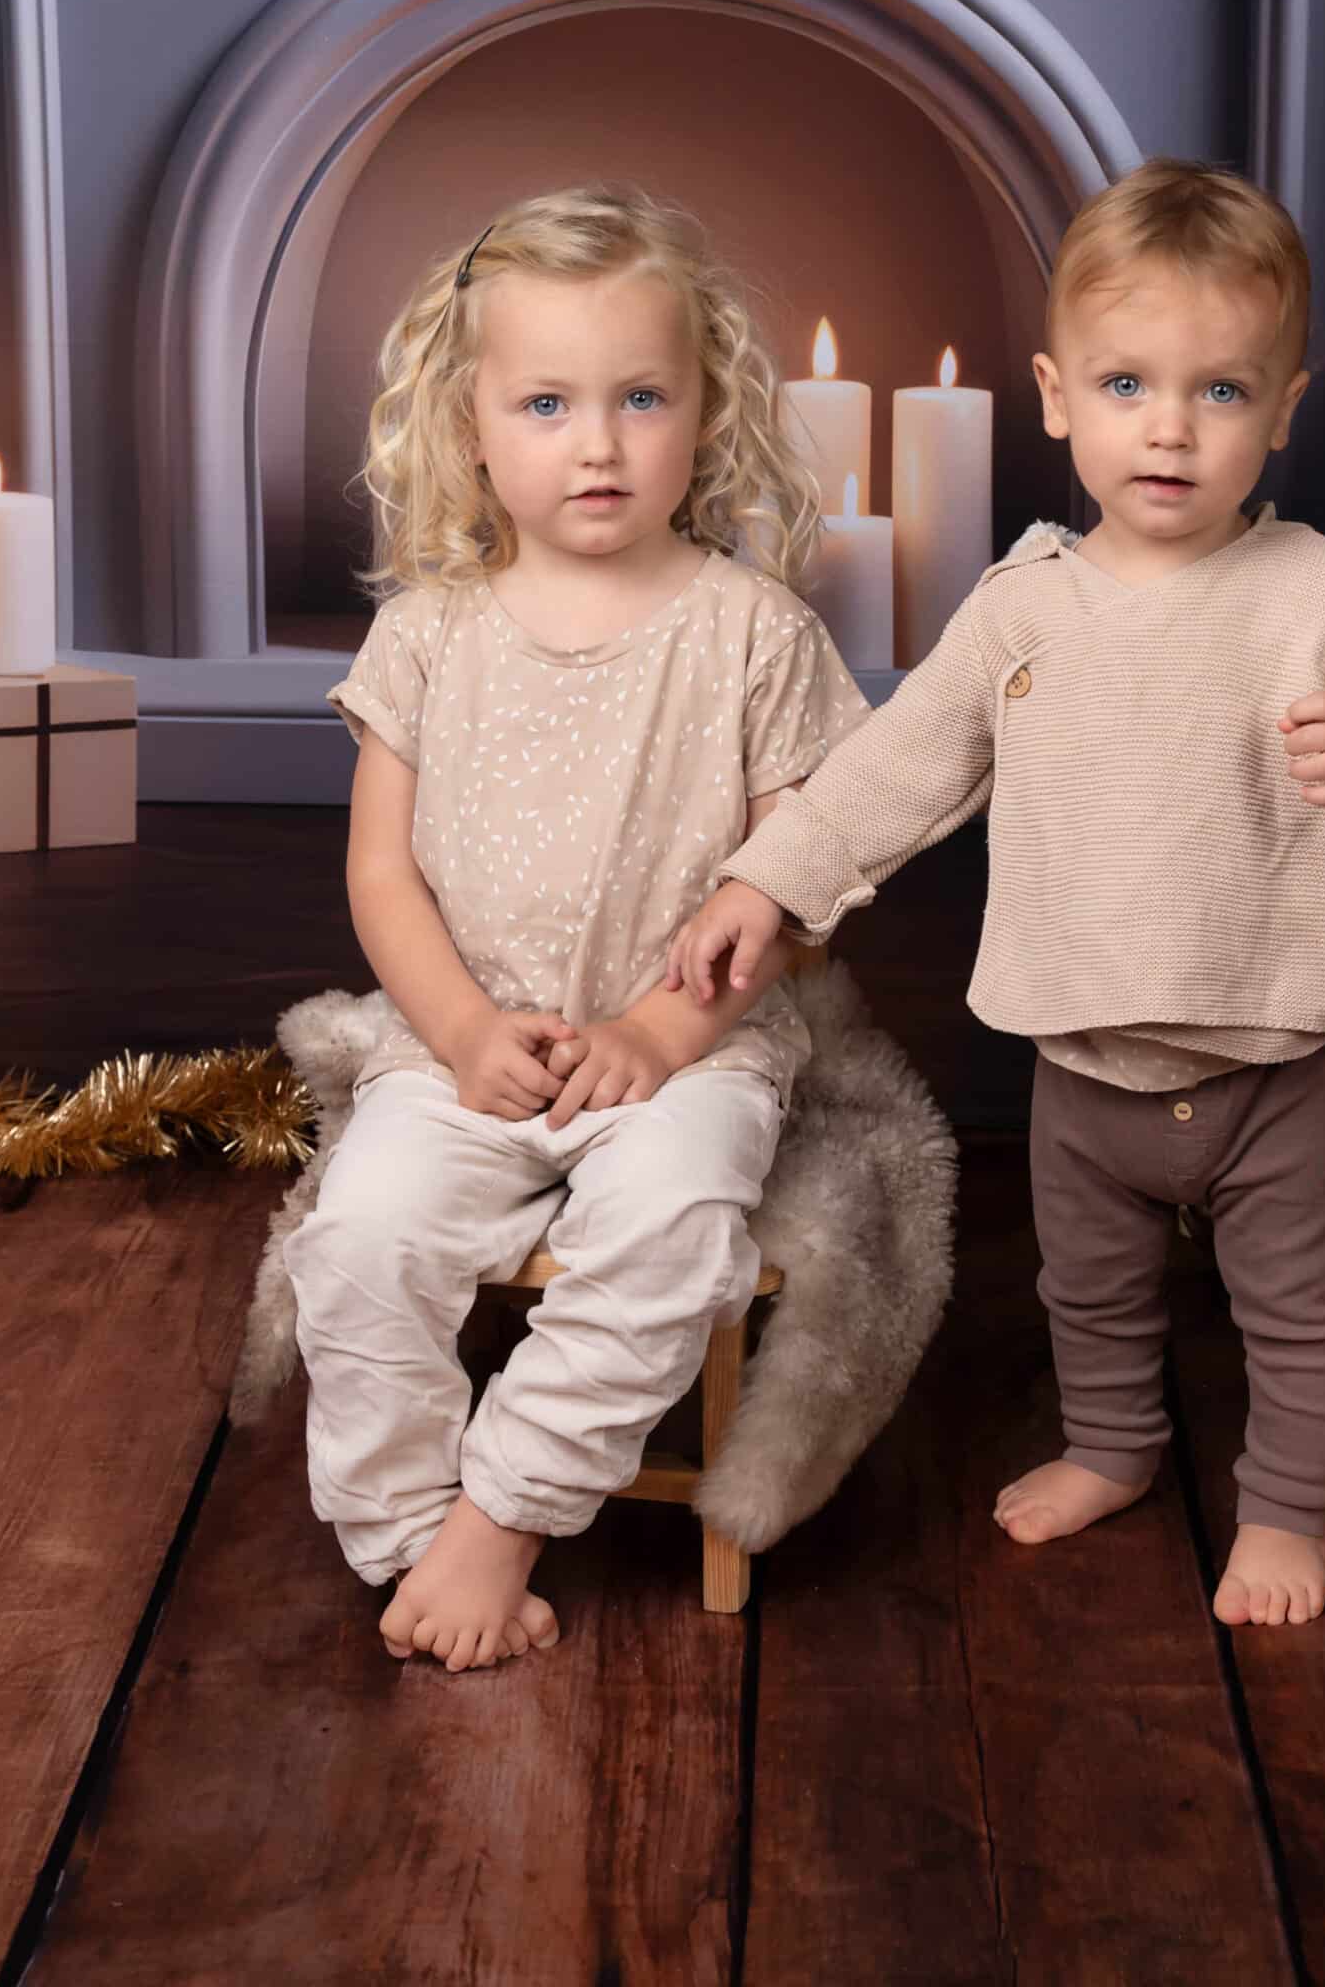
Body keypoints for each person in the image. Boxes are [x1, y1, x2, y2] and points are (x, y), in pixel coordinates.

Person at [669, 159, 1325, 1629]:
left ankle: (1289, 1512)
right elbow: (888, 773)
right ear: (1056, 395)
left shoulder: (1319, 594)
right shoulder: (1024, 607)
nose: (1169, 426)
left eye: (1221, 393)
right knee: (1090, 1293)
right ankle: (1115, 1448)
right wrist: (767, 883)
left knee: (1300, 1313)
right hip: (1083, 1059)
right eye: (1127, 383)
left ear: (1285, 411)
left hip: (1273, 1053)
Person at [287, 183, 868, 1670]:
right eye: (548, 402)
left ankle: (509, 1512)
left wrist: (663, 1031)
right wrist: (465, 1030)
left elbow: (792, 887)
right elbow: (381, 879)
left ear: (706, 411)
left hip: (684, 1050)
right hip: (461, 1041)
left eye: (640, 397)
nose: (598, 442)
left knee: (673, 1234)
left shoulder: (752, 633)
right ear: (471, 424)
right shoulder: (429, 629)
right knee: (354, 1241)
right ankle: (406, 1533)